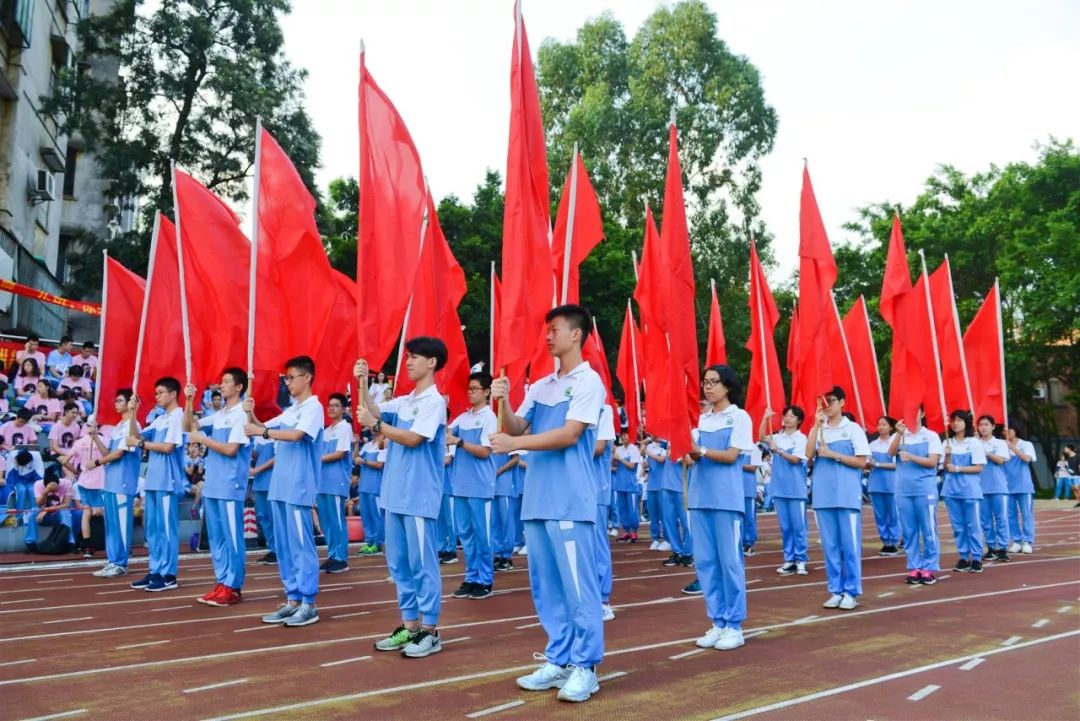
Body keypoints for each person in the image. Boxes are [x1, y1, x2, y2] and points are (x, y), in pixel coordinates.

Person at [490, 304, 605, 703]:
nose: (547, 336)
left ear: (577, 334)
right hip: (537, 500)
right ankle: (559, 658)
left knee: (578, 588)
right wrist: (501, 401)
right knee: (547, 587)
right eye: (546, 330)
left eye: (554, 329)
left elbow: (569, 434)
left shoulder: (589, 382)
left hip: (570, 501)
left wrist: (515, 443)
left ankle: (586, 667)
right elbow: (515, 426)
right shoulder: (540, 386)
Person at [355, 338, 448, 659]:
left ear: (432, 362)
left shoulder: (435, 401)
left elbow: (412, 438)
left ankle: (431, 629)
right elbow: (373, 411)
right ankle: (409, 625)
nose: (407, 362)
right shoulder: (405, 401)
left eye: (414, 357)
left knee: (422, 563)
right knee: (398, 564)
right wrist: (364, 382)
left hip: (419, 495)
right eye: (407, 357)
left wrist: (377, 425)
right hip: (394, 494)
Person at [244, 356, 324, 627]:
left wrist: (263, 432)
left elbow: (295, 435)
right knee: (285, 546)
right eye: (286, 379)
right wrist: (249, 411)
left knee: (302, 545)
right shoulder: (291, 410)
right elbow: (266, 427)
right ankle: (292, 598)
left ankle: (309, 602)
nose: (287, 383)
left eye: (291, 378)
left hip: (299, 486)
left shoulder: (314, 408)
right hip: (280, 485)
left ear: (307, 377)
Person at [684, 364, 755, 650]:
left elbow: (731, 456)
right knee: (706, 563)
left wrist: (700, 451)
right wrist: (688, 455)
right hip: (700, 499)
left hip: (726, 500)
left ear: (728, 386)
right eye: (705, 382)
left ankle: (734, 624)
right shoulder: (700, 421)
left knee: (729, 562)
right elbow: (692, 458)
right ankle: (718, 621)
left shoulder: (739, 417)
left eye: (714, 382)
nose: (708, 387)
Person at [185, 369, 252, 606]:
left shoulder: (241, 414)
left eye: (226, 382)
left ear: (239, 387)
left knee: (232, 537)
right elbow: (189, 426)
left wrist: (203, 439)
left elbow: (231, 449)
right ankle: (222, 581)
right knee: (217, 538)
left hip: (230, 484)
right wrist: (190, 400)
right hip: (213, 484)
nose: (221, 386)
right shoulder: (220, 413)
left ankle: (233, 586)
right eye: (221, 382)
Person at [807, 386, 871, 608]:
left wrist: (834, 454)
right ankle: (836, 589)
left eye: (831, 401)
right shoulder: (819, 429)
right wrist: (815, 425)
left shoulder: (852, 429)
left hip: (846, 495)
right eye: (823, 402)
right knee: (830, 546)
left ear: (842, 402)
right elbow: (807, 454)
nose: (827, 406)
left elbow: (862, 462)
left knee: (850, 546)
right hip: (823, 496)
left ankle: (851, 591)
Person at [128, 377, 186, 592]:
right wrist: (133, 412)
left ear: (173, 394)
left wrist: (141, 443)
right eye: (156, 393)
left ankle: (168, 574)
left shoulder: (178, 417)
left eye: (161, 392)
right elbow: (135, 434)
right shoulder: (161, 419)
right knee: (152, 529)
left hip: (167, 480)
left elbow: (168, 447)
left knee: (166, 529)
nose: (157, 396)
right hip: (153, 479)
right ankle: (155, 569)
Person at [447, 372, 499, 600]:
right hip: (460, 485)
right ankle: (471, 577)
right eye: (469, 388)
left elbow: (484, 451)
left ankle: (485, 580)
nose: (470, 392)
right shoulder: (464, 417)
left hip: (480, 486)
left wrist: (458, 441)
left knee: (482, 535)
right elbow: (446, 431)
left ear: (487, 392)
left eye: (475, 388)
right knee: (466, 534)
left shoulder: (489, 417)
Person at [888, 406, 944, 585]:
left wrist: (911, 457)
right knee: (909, 531)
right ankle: (914, 566)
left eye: (915, 411)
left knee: (928, 529)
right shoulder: (900, 434)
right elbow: (889, 453)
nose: (911, 415)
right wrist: (897, 434)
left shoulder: (931, 436)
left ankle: (929, 567)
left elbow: (932, 461)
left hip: (924, 489)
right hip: (903, 489)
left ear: (922, 413)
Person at [87, 390, 140, 577]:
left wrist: (95, 464)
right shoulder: (118, 427)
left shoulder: (133, 426)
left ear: (130, 403)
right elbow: (108, 452)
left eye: (119, 401)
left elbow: (119, 453)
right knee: (111, 524)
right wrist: (94, 437)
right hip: (110, 481)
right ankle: (112, 560)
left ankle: (121, 562)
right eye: (115, 400)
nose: (116, 404)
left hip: (123, 482)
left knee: (122, 524)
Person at [762, 406, 810, 576]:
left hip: (796, 488)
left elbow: (796, 460)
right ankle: (789, 559)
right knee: (786, 527)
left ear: (799, 420)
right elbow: (761, 437)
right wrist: (766, 418)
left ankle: (801, 559)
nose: (787, 418)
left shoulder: (801, 438)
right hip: (779, 488)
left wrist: (779, 451)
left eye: (792, 416)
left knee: (799, 526)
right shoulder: (777, 437)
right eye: (785, 415)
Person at [941, 410, 986, 573]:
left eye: (959, 420)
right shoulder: (947, 443)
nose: (955, 423)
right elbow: (944, 467)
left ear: (966, 423)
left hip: (970, 490)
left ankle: (976, 557)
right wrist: (947, 456)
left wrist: (958, 468)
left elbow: (979, 467)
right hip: (951, 491)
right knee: (958, 526)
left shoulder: (974, 443)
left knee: (973, 525)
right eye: (953, 420)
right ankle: (963, 556)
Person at [317, 393, 354, 574]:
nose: (331, 408)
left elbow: (340, 453)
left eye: (336, 405)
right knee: (326, 521)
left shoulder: (344, 428)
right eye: (329, 405)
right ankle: (333, 554)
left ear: (344, 409)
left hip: (336, 481)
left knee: (337, 521)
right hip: (322, 482)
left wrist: (317, 459)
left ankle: (341, 558)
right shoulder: (326, 430)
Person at [64, 416, 106, 558]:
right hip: (101, 483)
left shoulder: (79, 442)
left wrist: (77, 471)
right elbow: (108, 455)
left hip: (84, 481)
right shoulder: (104, 440)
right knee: (107, 513)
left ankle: (88, 547)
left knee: (86, 513)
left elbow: (65, 461)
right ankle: (116, 545)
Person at [976, 415, 1011, 562]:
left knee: (1001, 518)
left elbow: (1001, 460)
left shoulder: (1000, 443)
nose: (983, 427)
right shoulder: (974, 443)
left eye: (986, 425)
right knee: (985, 520)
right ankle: (990, 547)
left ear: (992, 426)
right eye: (981, 425)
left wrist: (987, 452)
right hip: (980, 487)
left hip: (998, 486)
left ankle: (1002, 548)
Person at [594, 403, 617, 620]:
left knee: (597, 545)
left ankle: (603, 601)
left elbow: (599, 447)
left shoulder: (604, 410)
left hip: (595, 490)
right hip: (573, 490)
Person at [867, 416, 901, 557]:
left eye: (884, 424)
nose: (881, 427)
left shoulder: (895, 443)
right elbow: (868, 463)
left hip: (891, 484)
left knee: (892, 514)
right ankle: (885, 541)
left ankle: (894, 541)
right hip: (875, 483)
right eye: (879, 424)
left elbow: (896, 465)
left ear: (890, 427)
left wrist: (878, 464)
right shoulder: (873, 444)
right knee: (880, 515)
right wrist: (867, 465)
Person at [1004, 425, 1037, 554]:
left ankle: (1027, 541)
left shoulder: (1026, 444)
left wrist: (1012, 448)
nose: (1006, 432)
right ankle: (1016, 541)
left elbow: (1027, 459)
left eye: (1009, 430)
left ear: (1015, 430)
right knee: (1010, 515)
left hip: (1024, 485)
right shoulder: (1001, 445)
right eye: (1004, 430)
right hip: (1007, 486)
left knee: (1026, 514)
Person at [356, 432, 387, 556]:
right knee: (366, 517)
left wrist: (363, 461)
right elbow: (356, 459)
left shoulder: (384, 444)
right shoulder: (368, 445)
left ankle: (378, 544)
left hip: (376, 487)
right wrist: (356, 445)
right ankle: (369, 542)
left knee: (377, 517)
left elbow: (380, 465)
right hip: (364, 486)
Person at [7, 449, 43, 551]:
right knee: (21, 490)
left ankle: (33, 513)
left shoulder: (36, 456)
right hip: (18, 480)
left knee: (32, 490)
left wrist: (37, 485)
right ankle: (19, 516)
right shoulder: (12, 456)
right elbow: (10, 473)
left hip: (31, 479)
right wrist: (11, 486)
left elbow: (40, 477)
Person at [250, 434, 277, 564]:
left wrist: (257, 469)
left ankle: (279, 550)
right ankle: (273, 549)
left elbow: (278, 458)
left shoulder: (275, 433)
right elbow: (255, 455)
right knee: (263, 516)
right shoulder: (257, 437)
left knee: (274, 517)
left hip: (272, 480)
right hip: (259, 481)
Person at [491, 450, 518, 571]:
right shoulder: (487, 436)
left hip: (505, 484)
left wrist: (499, 471)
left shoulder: (507, 434)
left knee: (506, 521)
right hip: (490, 485)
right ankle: (498, 554)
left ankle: (507, 557)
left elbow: (515, 458)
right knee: (494, 522)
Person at [612, 432, 641, 542]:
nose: (624, 437)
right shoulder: (618, 449)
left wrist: (620, 459)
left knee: (632, 509)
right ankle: (626, 532)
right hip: (620, 484)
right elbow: (614, 466)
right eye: (622, 435)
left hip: (631, 484)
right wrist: (614, 459)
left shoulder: (634, 449)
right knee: (622, 509)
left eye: (626, 435)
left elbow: (631, 466)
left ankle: (634, 532)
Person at [740, 441, 762, 556]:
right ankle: (740, 541)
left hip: (748, 488)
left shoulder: (754, 447)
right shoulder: (734, 446)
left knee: (749, 517)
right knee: (738, 517)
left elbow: (753, 468)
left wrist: (738, 464)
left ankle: (748, 544)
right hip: (735, 488)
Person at [49, 403, 83, 469]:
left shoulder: (76, 426)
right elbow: (54, 447)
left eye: (76, 413)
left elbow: (75, 443)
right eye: (73, 413)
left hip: (70, 452)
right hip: (57, 453)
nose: (75, 415)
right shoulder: (56, 426)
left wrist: (73, 453)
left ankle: (73, 477)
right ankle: (77, 474)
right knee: (67, 461)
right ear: (66, 412)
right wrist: (67, 454)